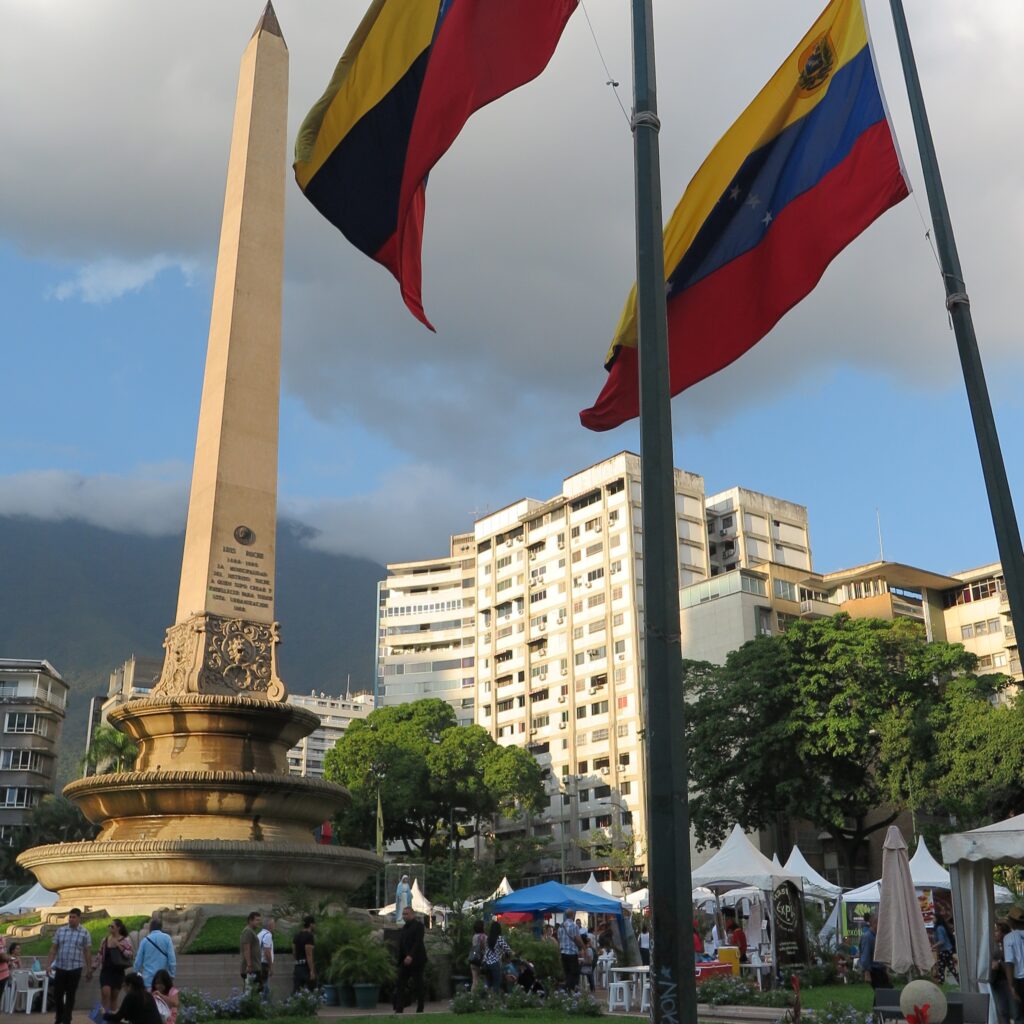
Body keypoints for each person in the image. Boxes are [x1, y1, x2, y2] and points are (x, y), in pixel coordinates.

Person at [45, 906, 93, 1024]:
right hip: (61, 967)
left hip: (75, 967)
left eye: (73, 917)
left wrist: (89, 968)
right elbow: (53, 949)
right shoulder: (61, 931)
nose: (71, 919)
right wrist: (48, 964)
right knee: (58, 994)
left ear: (79, 918)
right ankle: (59, 1016)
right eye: (70, 917)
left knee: (71, 994)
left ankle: (67, 1019)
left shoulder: (84, 932)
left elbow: (87, 951)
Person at [394, 905, 427, 1014]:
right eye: (403, 914)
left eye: (406, 914)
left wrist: (411, 956)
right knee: (400, 983)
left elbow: (417, 942)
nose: (404, 916)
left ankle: (420, 1008)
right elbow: (402, 944)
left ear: (412, 914)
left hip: (416, 960)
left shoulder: (419, 926)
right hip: (404, 961)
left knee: (418, 984)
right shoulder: (404, 928)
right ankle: (399, 1008)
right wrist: (401, 958)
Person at [95, 919, 133, 1013]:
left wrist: (119, 946)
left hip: (118, 972)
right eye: (109, 926)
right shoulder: (105, 940)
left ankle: (112, 1018)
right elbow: (99, 954)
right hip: (106, 971)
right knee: (105, 992)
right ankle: (102, 1019)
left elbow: (130, 954)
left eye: (112, 926)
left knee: (114, 997)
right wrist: (93, 967)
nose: (110, 928)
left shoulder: (125, 940)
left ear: (118, 928)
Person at [133, 916, 176, 989]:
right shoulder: (167, 938)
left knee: (148, 999)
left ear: (150, 928)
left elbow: (138, 961)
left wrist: (136, 973)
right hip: (162, 979)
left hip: (148, 979)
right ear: (161, 927)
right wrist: (172, 974)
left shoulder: (145, 941)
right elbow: (172, 959)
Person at [1002, 906, 1024, 1021]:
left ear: (1011, 921)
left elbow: (1009, 963)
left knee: (1020, 1014)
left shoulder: (1009, 938)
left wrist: (1011, 986)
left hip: (1020, 980)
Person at [859, 913, 891, 989]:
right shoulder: (868, 937)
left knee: (884, 994)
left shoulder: (877, 937)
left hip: (880, 969)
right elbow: (865, 955)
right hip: (874, 970)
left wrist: (886, 970)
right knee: (884, 993)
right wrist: (867, 973)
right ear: (875, 923)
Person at [482, 921, 513, 992]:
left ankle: (484, 998)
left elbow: (485, 950)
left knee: (488, 983)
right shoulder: (499, 938)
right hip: (495, 963)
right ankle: (494, 1000)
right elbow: (508, 949)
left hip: (486, 963)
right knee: (496, 983)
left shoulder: (487, 938)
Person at [992, 921, 1012, 1024]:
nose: (994, 933)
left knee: (1009, 1010)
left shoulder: (1008, 945)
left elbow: (1011, 964)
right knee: (1002, 1011)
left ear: (1003, 933)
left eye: (996, 931)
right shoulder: (994, 946)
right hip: (998, 982)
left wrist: (999, 963)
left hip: (1007, 982)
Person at [558, 911, 583, 991]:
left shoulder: (561, 927)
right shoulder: (574, 926)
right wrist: (584, 948)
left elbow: (559, 940)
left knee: (567, 972)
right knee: (574, 973)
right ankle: (569, 989)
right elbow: (578, 939)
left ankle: (567, 989)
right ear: (572, 915)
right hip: (572, 953)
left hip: (563, 953)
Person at [932, 913, 959, 984]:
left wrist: (933, 946)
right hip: (946, 950)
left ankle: (957, 980)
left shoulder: (939, 928)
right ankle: (943, 982)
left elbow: (942, 941)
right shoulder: (941, 927)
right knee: (944, 967)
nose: (932, 920)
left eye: (933, 918)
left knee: (945, 967)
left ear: (937, 919)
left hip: (945, 951)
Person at [292, 915, 316, 993]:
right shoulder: (309, 936)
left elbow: (294, 952)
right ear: (311, 924)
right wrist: (312, 970)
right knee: (312, 989)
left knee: (296, 991)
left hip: (298, 966)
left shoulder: (297, 936)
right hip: (305, 967)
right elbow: (309, 954)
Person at [239, 911, 262, 989]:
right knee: (253, 992)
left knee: (255, 992)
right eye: (257, 920)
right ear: (250, 920)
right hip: (251, 969)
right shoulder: (248, 931)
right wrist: (249, 965)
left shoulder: (251, 931)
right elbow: (246, 949)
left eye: (259, 920)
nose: (259, 922)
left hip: (255, 967)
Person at [256, 917, 276, 1001]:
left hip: (258, 963)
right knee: (264, 987)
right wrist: (271, 967)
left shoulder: (259, 934)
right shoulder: (268, 935)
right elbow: (267, 951)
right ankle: (265, 1006)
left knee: (262, 986)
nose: (275, 926)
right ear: (269, 925)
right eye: (273, 924)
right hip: (264, 964)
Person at [468, 920, 486, 991]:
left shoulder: (474, 937)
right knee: (484, 980)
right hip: (481, 960)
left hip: (473, 959)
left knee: (474, 980)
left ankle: (473, 998)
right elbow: (485, 948)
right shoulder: (485, 937)